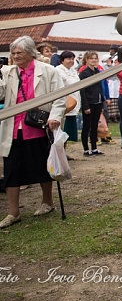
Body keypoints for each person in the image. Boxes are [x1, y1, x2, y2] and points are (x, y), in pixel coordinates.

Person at [0, 36, 67, 229]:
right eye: (13, 53)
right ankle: (13, 212)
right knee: (11, 168)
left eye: (19, 52)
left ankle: (47, 202)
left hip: (37, 126)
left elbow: (59, 97)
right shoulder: (9, 72)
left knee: (41, 166)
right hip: (14, 127)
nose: (15, 56)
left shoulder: (48, 71)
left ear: (30, 52)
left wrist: (54, 116)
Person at [79, 51, 106, 156]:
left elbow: (100, 88)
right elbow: (82, 91)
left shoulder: (98, 72)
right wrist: (85, 106)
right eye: (91, 58)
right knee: (87, 126)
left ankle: (94, 147)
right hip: (89, 102)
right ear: (87, 60)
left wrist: (102, 102)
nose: (94, 60)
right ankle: (86, 149)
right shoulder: (84, 74)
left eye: (95, 58)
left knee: (95, 126)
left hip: (98, 101)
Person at [55, 50, 81, 159]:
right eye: (68, 59)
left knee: (67, 132)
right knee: (61, 131)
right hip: (63, 104)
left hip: (74, 103)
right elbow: (70, 83)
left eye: (72, 59)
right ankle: (58, 154)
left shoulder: (73, 71)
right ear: (62, 60)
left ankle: (64, 153)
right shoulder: (58, 70)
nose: (71, 61)